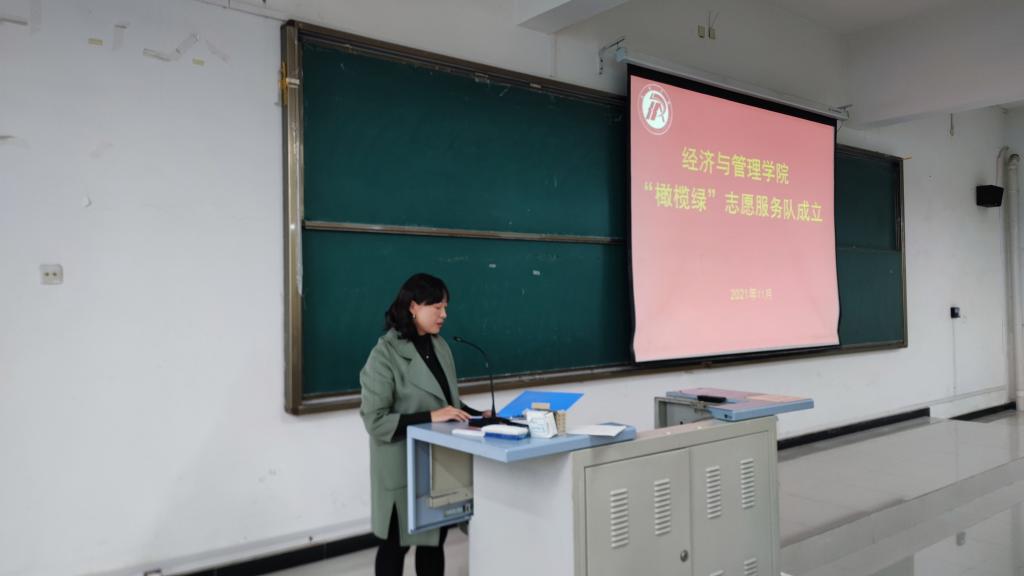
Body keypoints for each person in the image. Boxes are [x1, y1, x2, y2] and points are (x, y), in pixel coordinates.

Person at [360, 273, 489, 576]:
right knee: (396, 544)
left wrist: (477, 415)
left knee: (434, 542)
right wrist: (430, 417)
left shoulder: (439, 346)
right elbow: (375, 421)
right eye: (437, 307)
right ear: (413, 306)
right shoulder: (384, 354)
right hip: (401, 464)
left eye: (445, 308)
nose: (444, 315)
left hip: (437, 463)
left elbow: (448, 404)